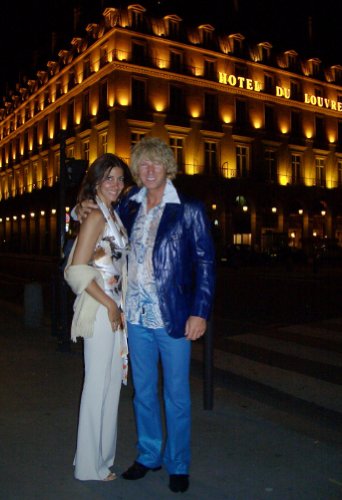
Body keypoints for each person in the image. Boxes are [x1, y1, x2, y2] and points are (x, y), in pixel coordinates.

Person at [76, 137, 215, 493]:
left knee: (177, 394)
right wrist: (80, 209)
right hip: (133, 317)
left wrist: (200, 312)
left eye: (156, 163)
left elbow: (205, 263)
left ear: (167, 167)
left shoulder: (189, 208)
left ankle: (178, 462)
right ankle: (149, 454)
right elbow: (100, 228)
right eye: (142, 165)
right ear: (136, 171)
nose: (149, 170)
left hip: (173, 317)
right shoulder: (130, 206)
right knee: (143, 394)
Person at [64, 153, 132, 481]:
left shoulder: (110, 214)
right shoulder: (96, 217)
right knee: (97, 387)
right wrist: (108, 304)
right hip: (102, 310)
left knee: (108, 388)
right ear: (96, 182)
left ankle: (97, 460)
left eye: (120, 179)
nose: (116, 185)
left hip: (115, 311)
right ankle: (91, 466)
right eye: (109, 179)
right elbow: (76, 270)